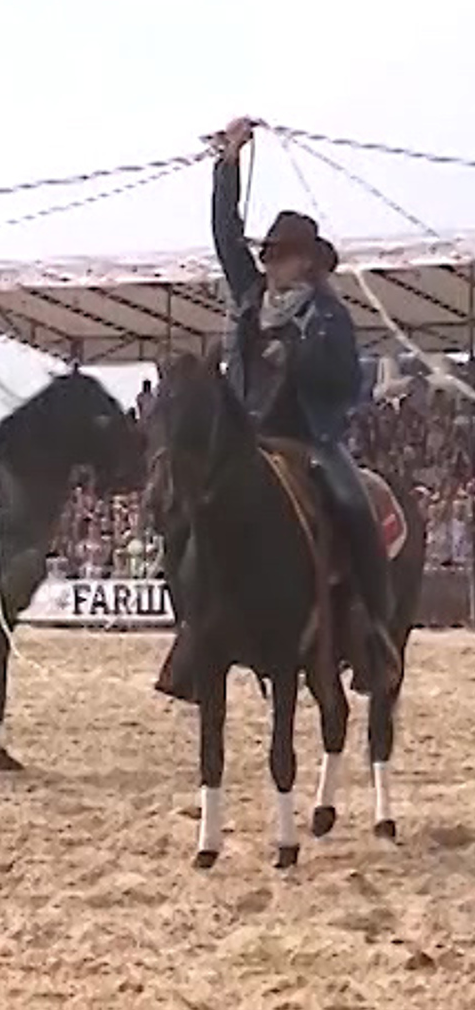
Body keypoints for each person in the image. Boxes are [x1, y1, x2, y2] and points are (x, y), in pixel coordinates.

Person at [156, 116, 402, 701]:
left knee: (353, 505)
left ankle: (372, 631)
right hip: (245, 439)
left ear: (309, 262)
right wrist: (228, 164)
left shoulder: (329, 316)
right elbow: (224, 233)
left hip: (311, 440)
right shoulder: (249, 297)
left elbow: (343, 377)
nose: (273, 265)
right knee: (176, 510)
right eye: (271, 255)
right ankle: (193, 630)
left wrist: (293, 355)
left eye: (286, 256)